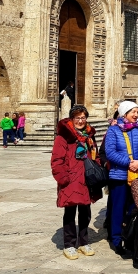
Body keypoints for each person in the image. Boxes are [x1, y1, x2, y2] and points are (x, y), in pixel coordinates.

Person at [50, 105, 102, 260]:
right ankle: (69, 244)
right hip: (71, 181)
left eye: (83, 117)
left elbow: (95, 156)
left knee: (85, 213)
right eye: (77, 118)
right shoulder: (63, 137)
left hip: (87, 180)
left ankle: (83, 242)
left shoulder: (89, 137)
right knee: (70, 213)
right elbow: (56, 160)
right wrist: (63, 179)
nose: (81, 121)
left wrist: (98, 170)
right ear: (72, 119)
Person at [105, 101, 138, 255]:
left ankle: (131, 236)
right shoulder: (113, 130)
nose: (136, 114)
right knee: (118, 208)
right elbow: (110, 152)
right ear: (124, 113)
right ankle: (116, 240)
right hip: (119, 175)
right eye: (133, 111)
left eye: (137, 111)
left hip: (137, 175)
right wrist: (128, 162)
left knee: (134, 208)